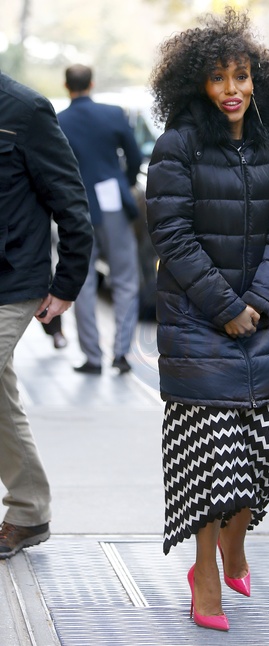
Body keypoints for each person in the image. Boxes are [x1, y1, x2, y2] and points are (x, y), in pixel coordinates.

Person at [146, 8, 269, 632]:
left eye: (241, 75)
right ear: (198, 84)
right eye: (218, 78)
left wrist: (258, 301)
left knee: (262, 460)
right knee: (212, 467)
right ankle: (205, 575)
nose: (232, 89)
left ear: (256, 78)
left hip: (262, 321)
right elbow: (172, 233)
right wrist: (226, 307)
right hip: (196, 323)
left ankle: (236, 545)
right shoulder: (178, 145)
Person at [0, 71, 92, 559]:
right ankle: (29, 511)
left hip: (11, 280)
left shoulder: (26, 109)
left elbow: (70, 200)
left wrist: (66, 283)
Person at [58, 64, 143, 375]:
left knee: (82, 282)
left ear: (67, 86)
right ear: (92, 84)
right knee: (125, 278)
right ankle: (121, 353)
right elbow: (134, 157)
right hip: (112, 202)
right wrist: (125, 182)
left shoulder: (59, 120)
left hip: (76, 206)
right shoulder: (112, 114)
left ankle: (92, 356)